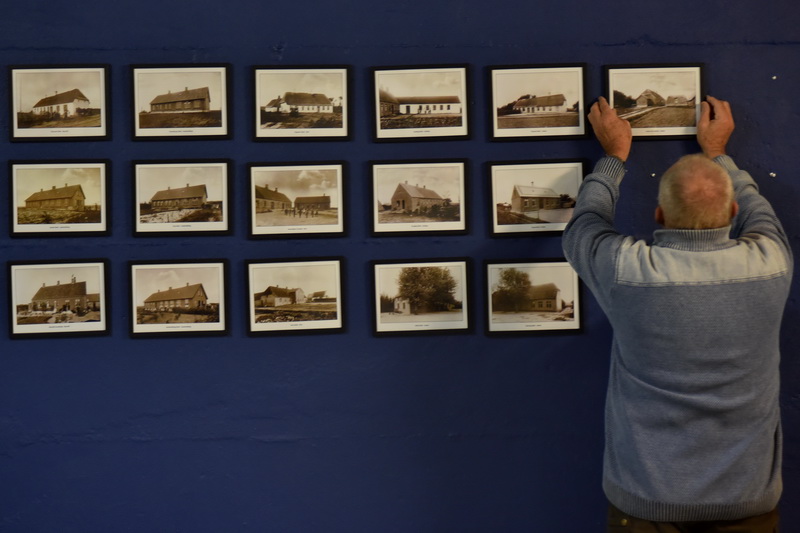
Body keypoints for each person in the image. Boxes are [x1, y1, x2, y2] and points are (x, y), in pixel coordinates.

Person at [562, 96, 793, 532]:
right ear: (733, 213)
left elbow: (584, 226)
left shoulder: (628, 270)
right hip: (747, 502)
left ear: (659, 215)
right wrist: (717, 151)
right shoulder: (772, 263)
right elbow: (758, 209)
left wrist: (614, 156)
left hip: (647, 503)